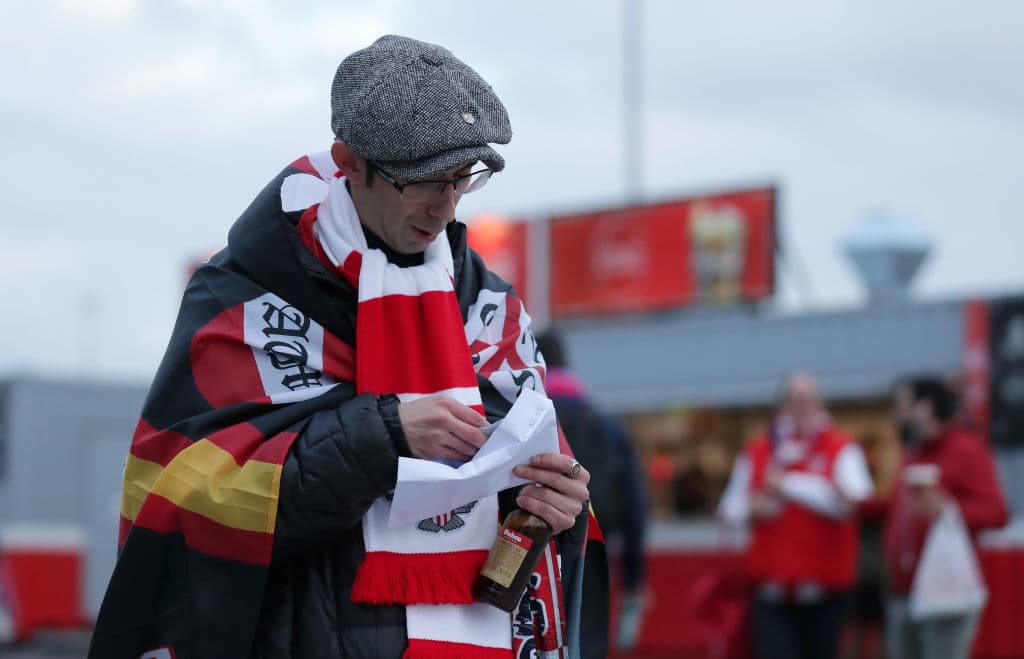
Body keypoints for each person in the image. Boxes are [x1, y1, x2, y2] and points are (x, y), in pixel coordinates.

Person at [89, 35, 606, 659]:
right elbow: (185, 505)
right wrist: (385, 433)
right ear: (350, 161)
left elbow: (531, 504)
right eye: (421, 180)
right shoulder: (240, 296)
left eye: (462, 179)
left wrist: (561, 507)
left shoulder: (490, 306)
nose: (445, 206)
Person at [718, 372, 874, 659]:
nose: (802, 407)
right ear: (782, 405)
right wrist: (752, 508)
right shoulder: (758, 451)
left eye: (808, 399)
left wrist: (789, 485)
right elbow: (727, 510)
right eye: (794, 400)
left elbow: (855, 501)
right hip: (771, 592)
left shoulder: (841, 448)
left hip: (826, 593)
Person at [535, 328, 647, 650]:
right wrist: (634, 580)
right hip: (593, 555)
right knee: (585, 642)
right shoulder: (606, 424)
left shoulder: (522, 420)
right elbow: (635, 508)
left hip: (529, 557)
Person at [880, 376, 1008, 659]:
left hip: (944, 589)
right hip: (902, 586)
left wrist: (951, 509)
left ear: (926, 406)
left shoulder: (963, 447)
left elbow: (997, 512)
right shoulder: (912, 451)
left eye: (902, 404)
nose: (896, 413)